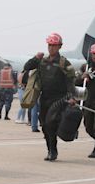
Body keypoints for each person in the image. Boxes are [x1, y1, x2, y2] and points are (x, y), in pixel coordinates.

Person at [24, 33, 76, 161]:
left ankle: (53, 151)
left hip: (60, 98)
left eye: (54, 45)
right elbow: (27, 67)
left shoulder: (64, 63)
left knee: (50, 123)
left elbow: (71, 80)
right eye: (50, 45)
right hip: (45, 97)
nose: (51, 48)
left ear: (59, 47)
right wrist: (35, 58)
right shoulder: (42, 60)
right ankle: (50, 149)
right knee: (45, 126)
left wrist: (72, 97)